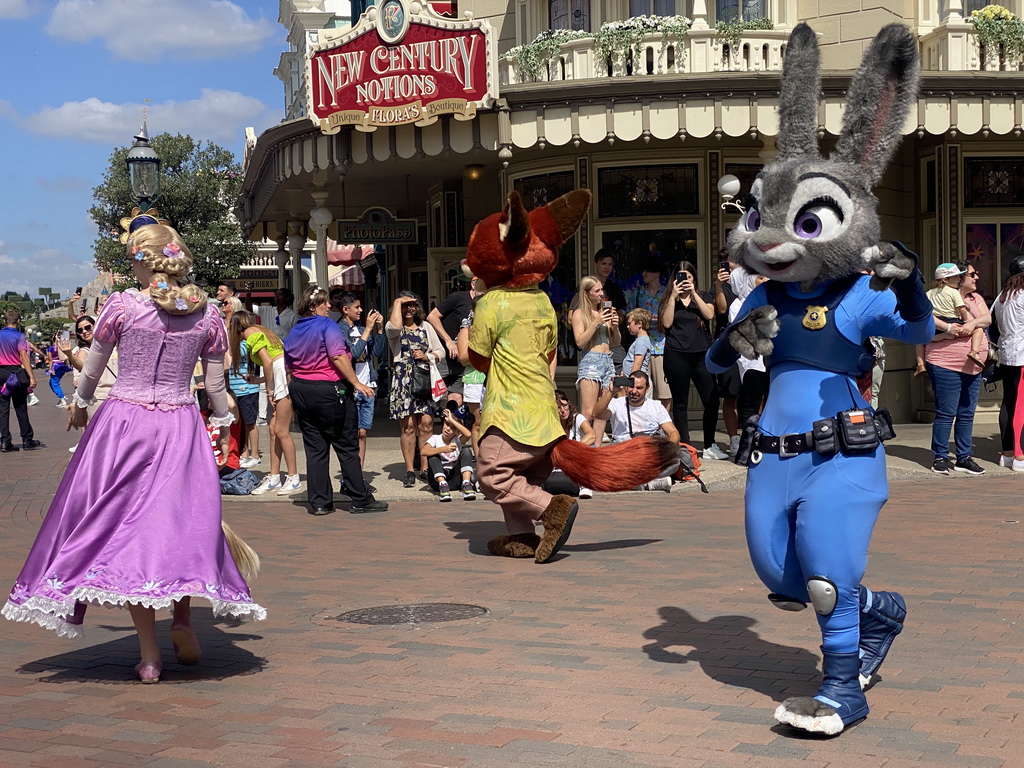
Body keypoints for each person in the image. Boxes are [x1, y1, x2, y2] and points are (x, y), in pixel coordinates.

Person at [2, 223, 265, 682]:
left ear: (144, 259)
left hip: (126, 425)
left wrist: (79, 407)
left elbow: (93, 369)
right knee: (180, 526)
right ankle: (182, 620)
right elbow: (217, 388)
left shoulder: (123, 305)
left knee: (128, 533)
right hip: (181, 425)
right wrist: (224, 425)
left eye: (130, 258)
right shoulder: (206, 315)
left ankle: (149, 655)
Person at [284, 285, 388, 515]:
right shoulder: (328, 326)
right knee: (346, 445)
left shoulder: (294, 331)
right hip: (329, 390)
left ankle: (320, 502)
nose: (329, 306)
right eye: (324, 302)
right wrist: (357, 383)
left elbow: (289, 366)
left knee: (315, 449)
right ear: (313, 306)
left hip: (302, 389)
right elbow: (338, 356)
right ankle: (360, 498)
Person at [921, 262, 990, 475]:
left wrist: (972, 324)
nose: (972, 277)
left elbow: (987, 319)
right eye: (970, 274)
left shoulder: (974, 299)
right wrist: (947, 329)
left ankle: (964, 457)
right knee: (946, 412)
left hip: (973, 363)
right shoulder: (933, 296)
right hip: (944, 361)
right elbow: (921, 320)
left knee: (967, 413)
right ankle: (940, 456)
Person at [658, 261, 727, 460]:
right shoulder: (668, 299)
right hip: (676, 354)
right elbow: (667, 323)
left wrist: (694, 294)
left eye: (687, 276)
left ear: (694, 277)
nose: (684, 281)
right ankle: (685, 446)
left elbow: (710, 314)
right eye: (680, 276)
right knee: (680, 403)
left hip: (701, 354)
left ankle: (709, 444)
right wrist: (673, 296)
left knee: (712, 400)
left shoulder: (703, 296)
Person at [229, 311, 302, 494]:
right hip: (282, 374)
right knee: (273, 430)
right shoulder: (260, 330)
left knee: (281, 430)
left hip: (281, 377)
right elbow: (274, 361)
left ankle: (293, 477)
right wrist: (260, 381)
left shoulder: (249, 334)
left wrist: (268, 388)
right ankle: (274, 476)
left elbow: (268, 362)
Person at [386, 291, 445, 487]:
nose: (409, 308)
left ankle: (426, 467)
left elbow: (441, 351)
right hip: (403, 382)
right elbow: (393, 327)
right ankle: (410, 469)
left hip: (423, 380)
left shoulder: (426, 327)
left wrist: (427, 356)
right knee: (408, 427)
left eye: (412, 304)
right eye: (405, 305)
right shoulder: (394, 329)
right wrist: (398, 301)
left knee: (426, 425)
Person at [594, 371, 680, 491]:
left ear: (647, 388)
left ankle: (632, 481)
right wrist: (611, 392)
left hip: (649, 452)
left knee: (675, 461)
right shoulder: (616, 404)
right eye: (631, 386)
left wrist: (668, 450)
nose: (634, 391)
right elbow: (597, 414)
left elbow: (673, 433)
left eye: (639, 388)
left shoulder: (656, 406)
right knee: (609, 465)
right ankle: (649, 483)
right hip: (624, 452)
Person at [338, 292, 386, 469]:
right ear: (345, 309)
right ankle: (349, 475)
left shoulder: (360, 329)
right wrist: (367, 329)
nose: (361, 310)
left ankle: (358, 472)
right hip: (351, 387)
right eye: (357, 307)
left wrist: (379, 330)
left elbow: (378, 353)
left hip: (368, 385)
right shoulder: (340, 330)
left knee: (363, 433)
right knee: (351, 433)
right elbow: (354, 353)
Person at [59, 315, 118, 453]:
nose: (84, 331)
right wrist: (69, 353)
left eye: (87, 327)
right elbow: (85, 368)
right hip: (98, 398)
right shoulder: (85, 351)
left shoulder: (113, 344)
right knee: (103, 440)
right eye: (80, 330)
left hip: (119, 397)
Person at [916, 263, 987, 375]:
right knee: (978, 330)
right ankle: (974, 352)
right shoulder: (953, 292)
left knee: (920, 341)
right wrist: (965, 321)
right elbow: (962, 310)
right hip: (951, 322)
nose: (959, 279)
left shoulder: (928, 293)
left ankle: (920, 365)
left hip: (936, 326)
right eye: (956, 276)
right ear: (945, 279)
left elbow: (925, 310)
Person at [572, 275, 620, 440]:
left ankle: (597, 449)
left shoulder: (604, 312)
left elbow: (615, 342)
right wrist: (595, 322)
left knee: (602, 411)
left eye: (602, 290)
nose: (601, 294)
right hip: (591, 360)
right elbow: (580, 342)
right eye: (597, 290)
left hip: (608, 360)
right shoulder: (579, 314)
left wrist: (615, 326)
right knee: (588, 412)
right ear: (586, 293)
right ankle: (583, 446)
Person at [426, 277, 483, 407]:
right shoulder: (458, 298)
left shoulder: (485, 305)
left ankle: (449, 425)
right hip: (443, 358)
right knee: (430, 399)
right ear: (473, 284)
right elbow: (432, 316)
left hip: (462, 362)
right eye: (482, 283)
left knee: (455, 402)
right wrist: (449, 341)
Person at [991, 256, 1024, 472]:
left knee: (1009, 402)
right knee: (1020, 403)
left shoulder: (1001, 297)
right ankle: (1020, 455)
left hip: (1007, 355)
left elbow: (991, 326)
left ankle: (1008, 453)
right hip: (1022, 355)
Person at [221, 298, 261, 469]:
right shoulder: (236, 344)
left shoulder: (244, 344)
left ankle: (255, 454)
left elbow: (235, 357)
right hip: (238, 389)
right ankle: (244, 453)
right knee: (242, 422)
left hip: (248, 389)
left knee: (250, 423)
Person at [629, 258, 670, 407]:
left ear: (657, 273)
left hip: (661, 345)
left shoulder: (666, 293)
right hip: (642, 346)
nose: (644, 274)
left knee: (664, 390)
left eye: (649, 271)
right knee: (641, 388)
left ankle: (663, 424)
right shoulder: (638, 293)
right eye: (643, 270)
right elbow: (630, 315)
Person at [0, 309, 40, 452]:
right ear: (18, 321)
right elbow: (23, 356)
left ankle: (5, 441)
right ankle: (27, 439)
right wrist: (31, 376)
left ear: (5, 321)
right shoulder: (19, 336)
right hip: (15, 373)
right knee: (20, 407)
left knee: (3, 409)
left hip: (0, 373)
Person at [545, 390, 595, 498]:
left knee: (591, 446)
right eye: (558, 408)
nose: (563, 410)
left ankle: (585, 485)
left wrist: (573, 449)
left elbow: (591, 435)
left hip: (576, 458)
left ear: (569, 403)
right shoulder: (550, 423)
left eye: (565, 406)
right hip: (557, 462)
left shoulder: (577, 418)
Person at [422, 407, 477, 501]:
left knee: (466, 451)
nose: (447, 429)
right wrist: (444, 449)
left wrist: (451, 420)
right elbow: (424, 451)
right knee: (432, 454)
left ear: (457, 432)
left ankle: (466, 484)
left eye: (452, 428)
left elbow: (468, 435)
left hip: (455, 480)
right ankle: (443, 485)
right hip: (437, 481)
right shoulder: (435, 438)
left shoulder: (457, 440)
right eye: (447, 424)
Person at [623, 308, 652, 376]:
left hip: (635, 381)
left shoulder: (641, 342)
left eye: (630, 324)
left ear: (639, 324)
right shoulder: (640, 340)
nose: (628, 326)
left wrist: (631, 381)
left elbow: (637, 364)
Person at [45, 334, 72, 408]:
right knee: (51, 383)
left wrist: (50, 369)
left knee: (54, 383)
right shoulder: (61, 347)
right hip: (62, 366)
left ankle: (62, 398)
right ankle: (60, 397)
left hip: (55, 366)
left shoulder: (51, 348)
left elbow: (50, 359)